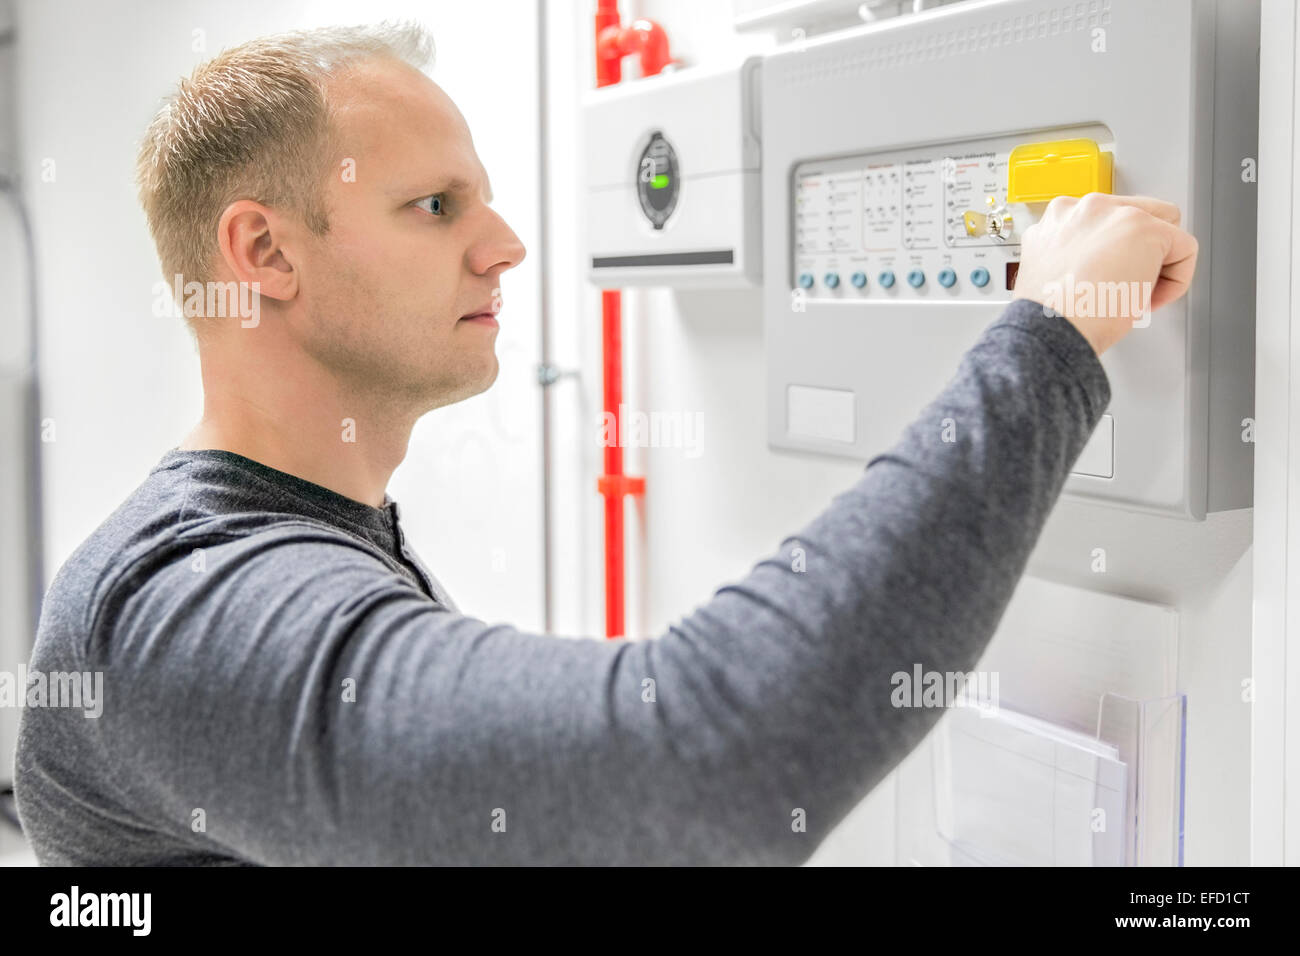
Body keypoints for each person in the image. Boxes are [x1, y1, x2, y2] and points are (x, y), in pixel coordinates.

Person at [13, 22, 1197, 865]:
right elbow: (704, 764)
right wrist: (1049, 336)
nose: (506, 243)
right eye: (436, 206)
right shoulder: (180, 611)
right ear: (264, 255)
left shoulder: (314, 535)